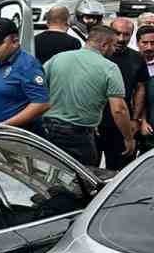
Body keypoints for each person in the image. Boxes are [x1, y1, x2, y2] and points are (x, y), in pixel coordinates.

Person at [43, 25, 134, 168]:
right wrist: (128, 138)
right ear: (104, 45)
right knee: (84, 181)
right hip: (79, 135)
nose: (114, 49)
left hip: (49, 130)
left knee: (53, 175)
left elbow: (38, 90)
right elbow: (119, 110)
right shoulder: (109, 68)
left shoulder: (57, 58)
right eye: (113, 46)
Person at [0, 16, 49, 131]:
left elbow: (41, 104)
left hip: (17, 135)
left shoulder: (27, 66)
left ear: (15, 41)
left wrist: (5, 125)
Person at [103, 17, 148, 169]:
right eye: (117, 33)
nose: (121, 38)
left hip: (123, 123)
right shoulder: (98, 55)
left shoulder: (136, 58)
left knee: (120, 170)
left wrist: (135, 119)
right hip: (93, 123)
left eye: (126, 34)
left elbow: (140, 88)